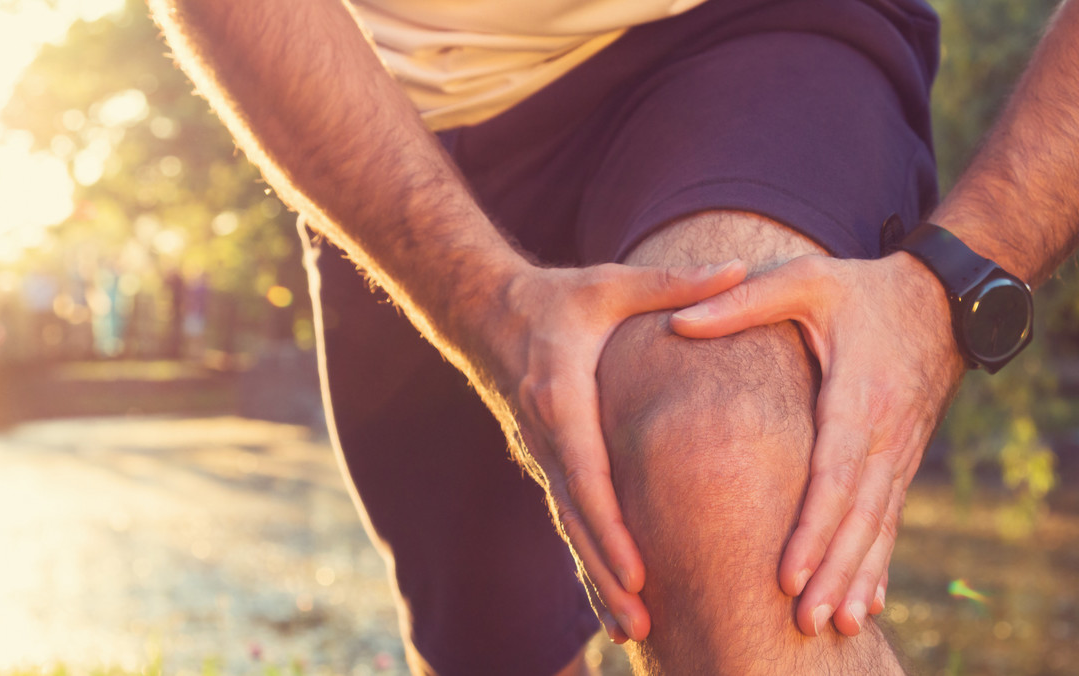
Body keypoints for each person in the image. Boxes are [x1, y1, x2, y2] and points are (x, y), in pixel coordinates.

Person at [148, 0, 1079, 673]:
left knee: (720, 455)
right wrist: (479, 302)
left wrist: (962, 272)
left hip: (748, 33)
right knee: (493, 650)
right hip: (389, 112)